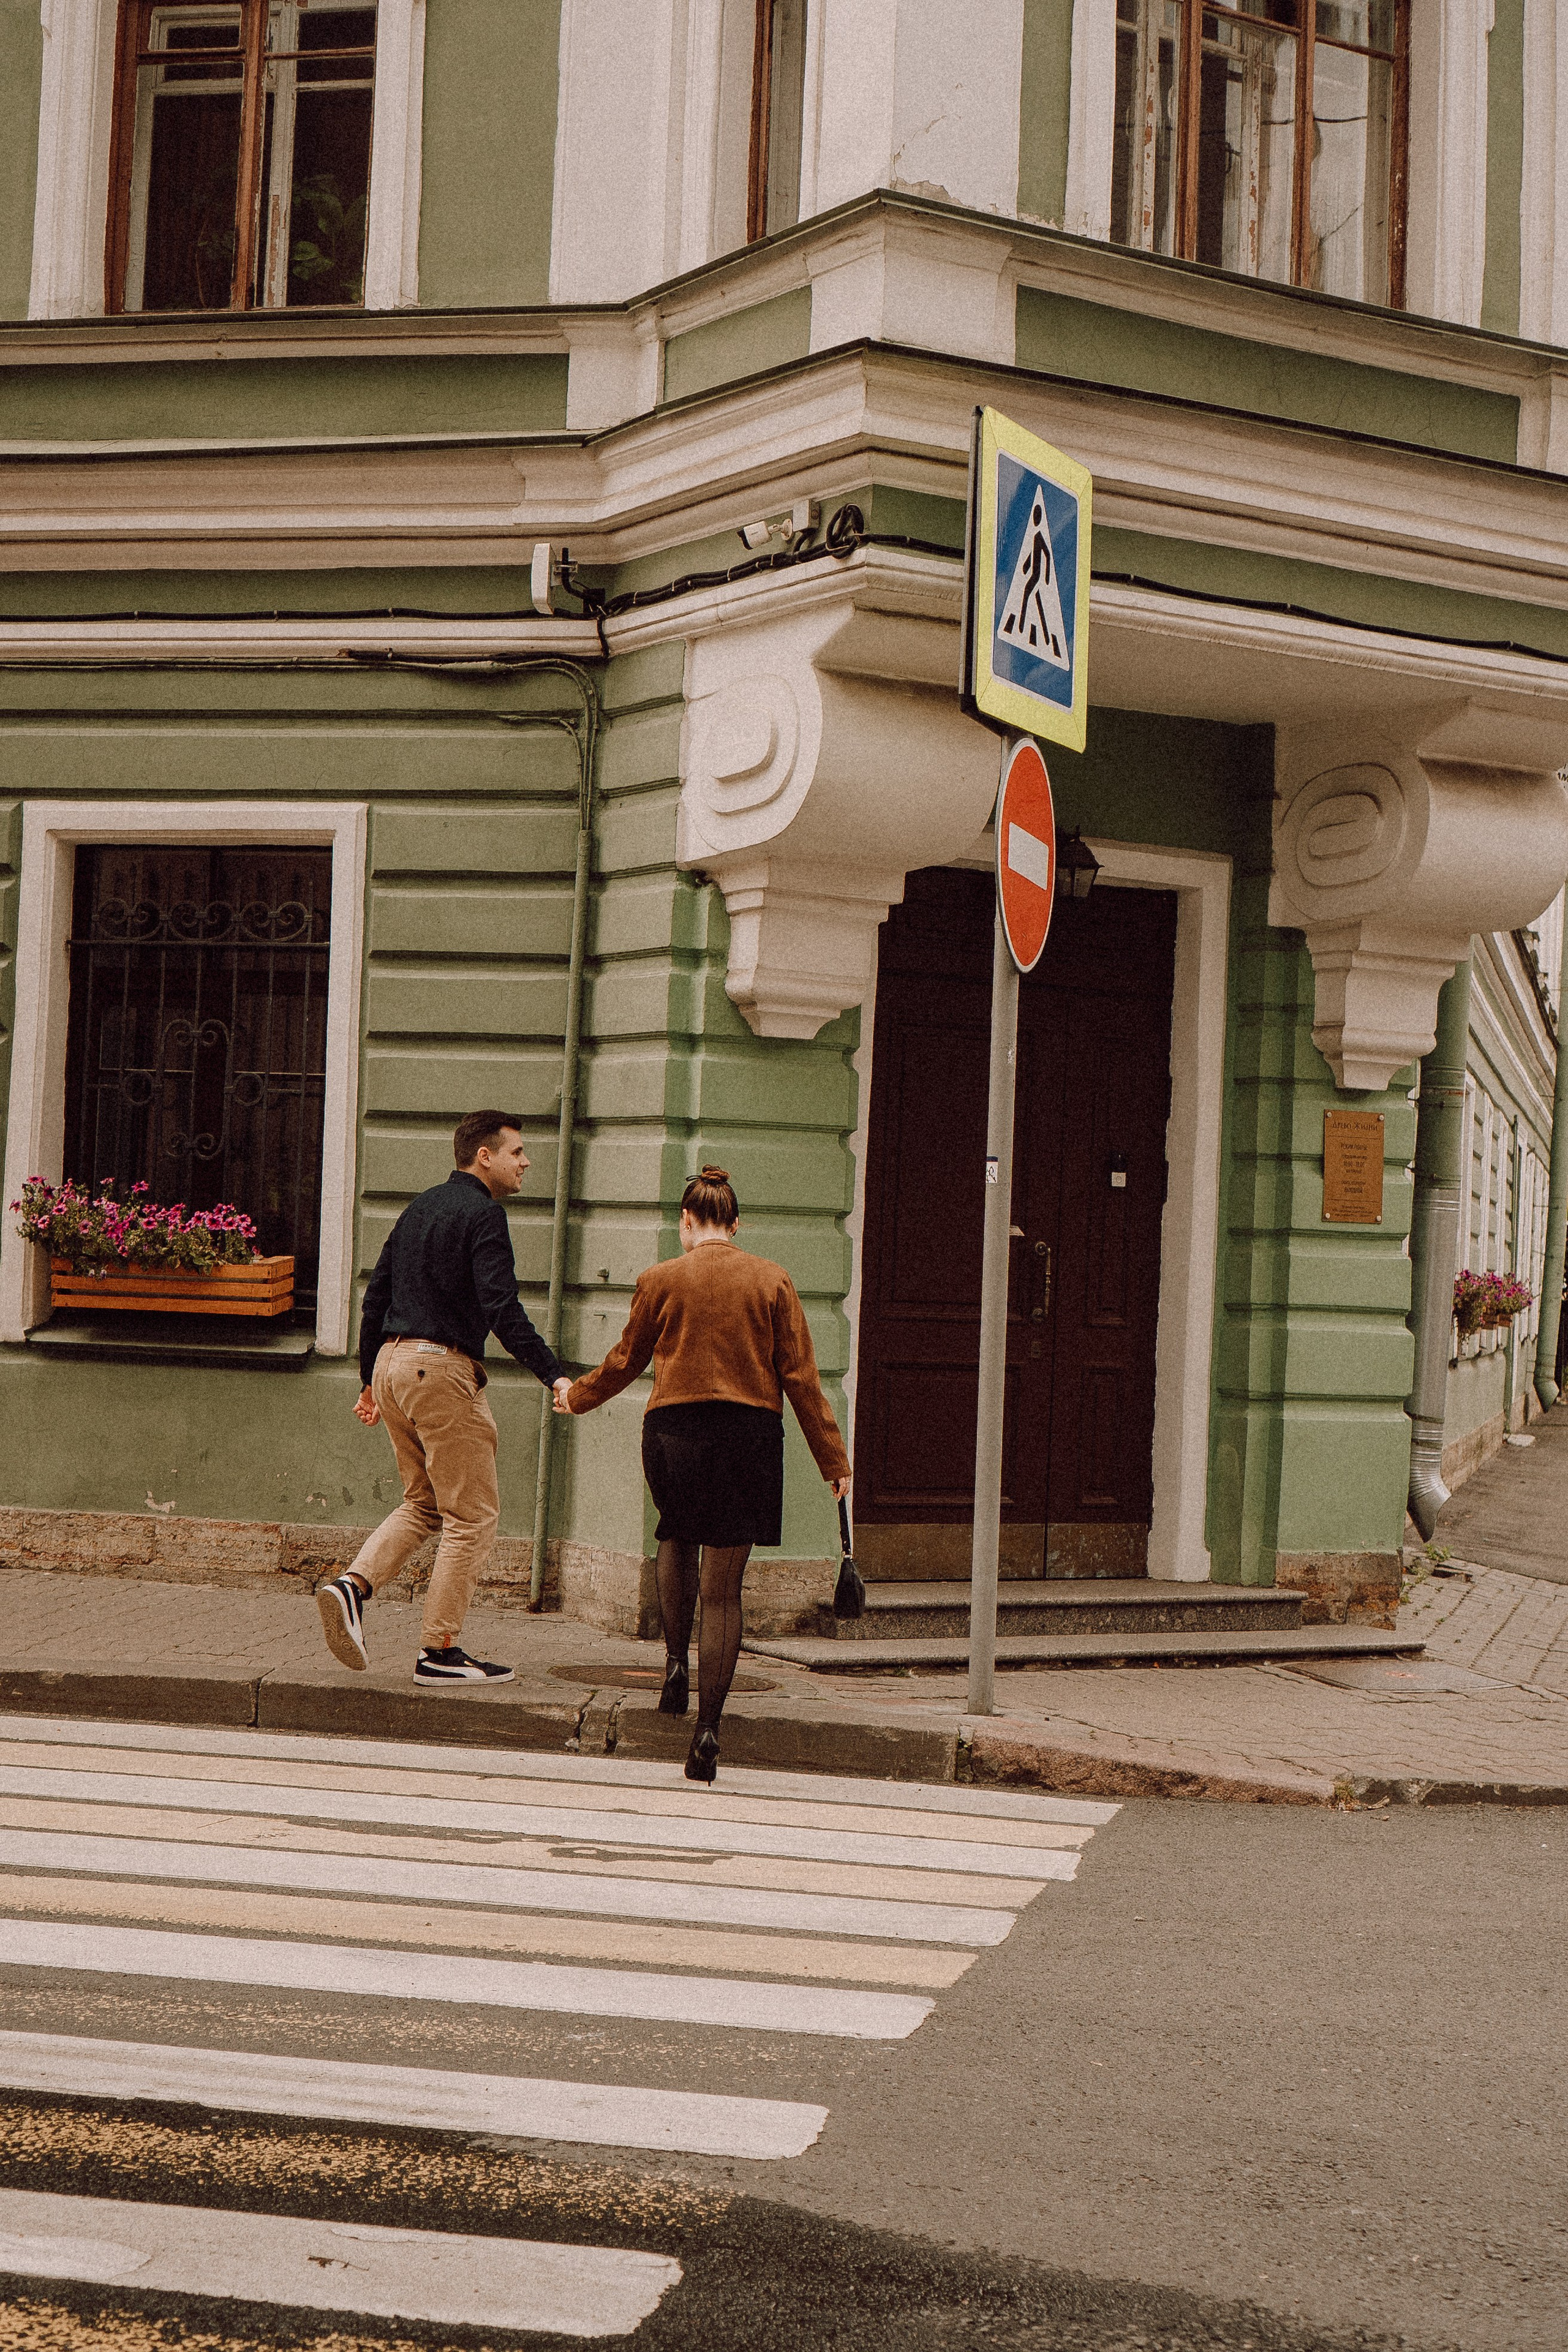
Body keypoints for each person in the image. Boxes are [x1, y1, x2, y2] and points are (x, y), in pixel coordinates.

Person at [556, 1166, 850, 1782]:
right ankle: (708, 1731)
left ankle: (672, 1668)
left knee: (674, 1536)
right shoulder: (772, 1279)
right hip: (746, 1436)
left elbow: (624, 1361)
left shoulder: (659, 1279)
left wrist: (576, 1397)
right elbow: (800, 1377)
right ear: (735, 1226)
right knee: (723, 1589)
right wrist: (834, 1462)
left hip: (673, 1434)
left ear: (686, 1223)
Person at [316, 1110, 572, 1686]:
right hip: (441, 1369)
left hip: (393, 1365)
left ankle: (351, 1587)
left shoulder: (419, 1207)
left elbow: (374, 1295)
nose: (526, 1161)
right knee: (472, 1517)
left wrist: (368, 1379)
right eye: (517, 1152)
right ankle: (439, 1651)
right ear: (484, 1155)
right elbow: (502, 1308)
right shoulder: (484, 1215)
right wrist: (552, 1374)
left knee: (426, 1504)